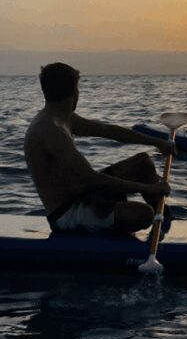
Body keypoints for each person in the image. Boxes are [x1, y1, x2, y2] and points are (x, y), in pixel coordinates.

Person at [24, 62, 175, 235]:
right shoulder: (49, 130)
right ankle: (111, 237)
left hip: (85, 193)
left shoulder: (63, 118)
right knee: (143, 214)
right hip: (69, 213)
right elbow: (90, 178)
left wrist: (157, 142)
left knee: (143, 162)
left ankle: (166, 221)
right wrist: (146, 189)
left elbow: (108, 130)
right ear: (74, 92)